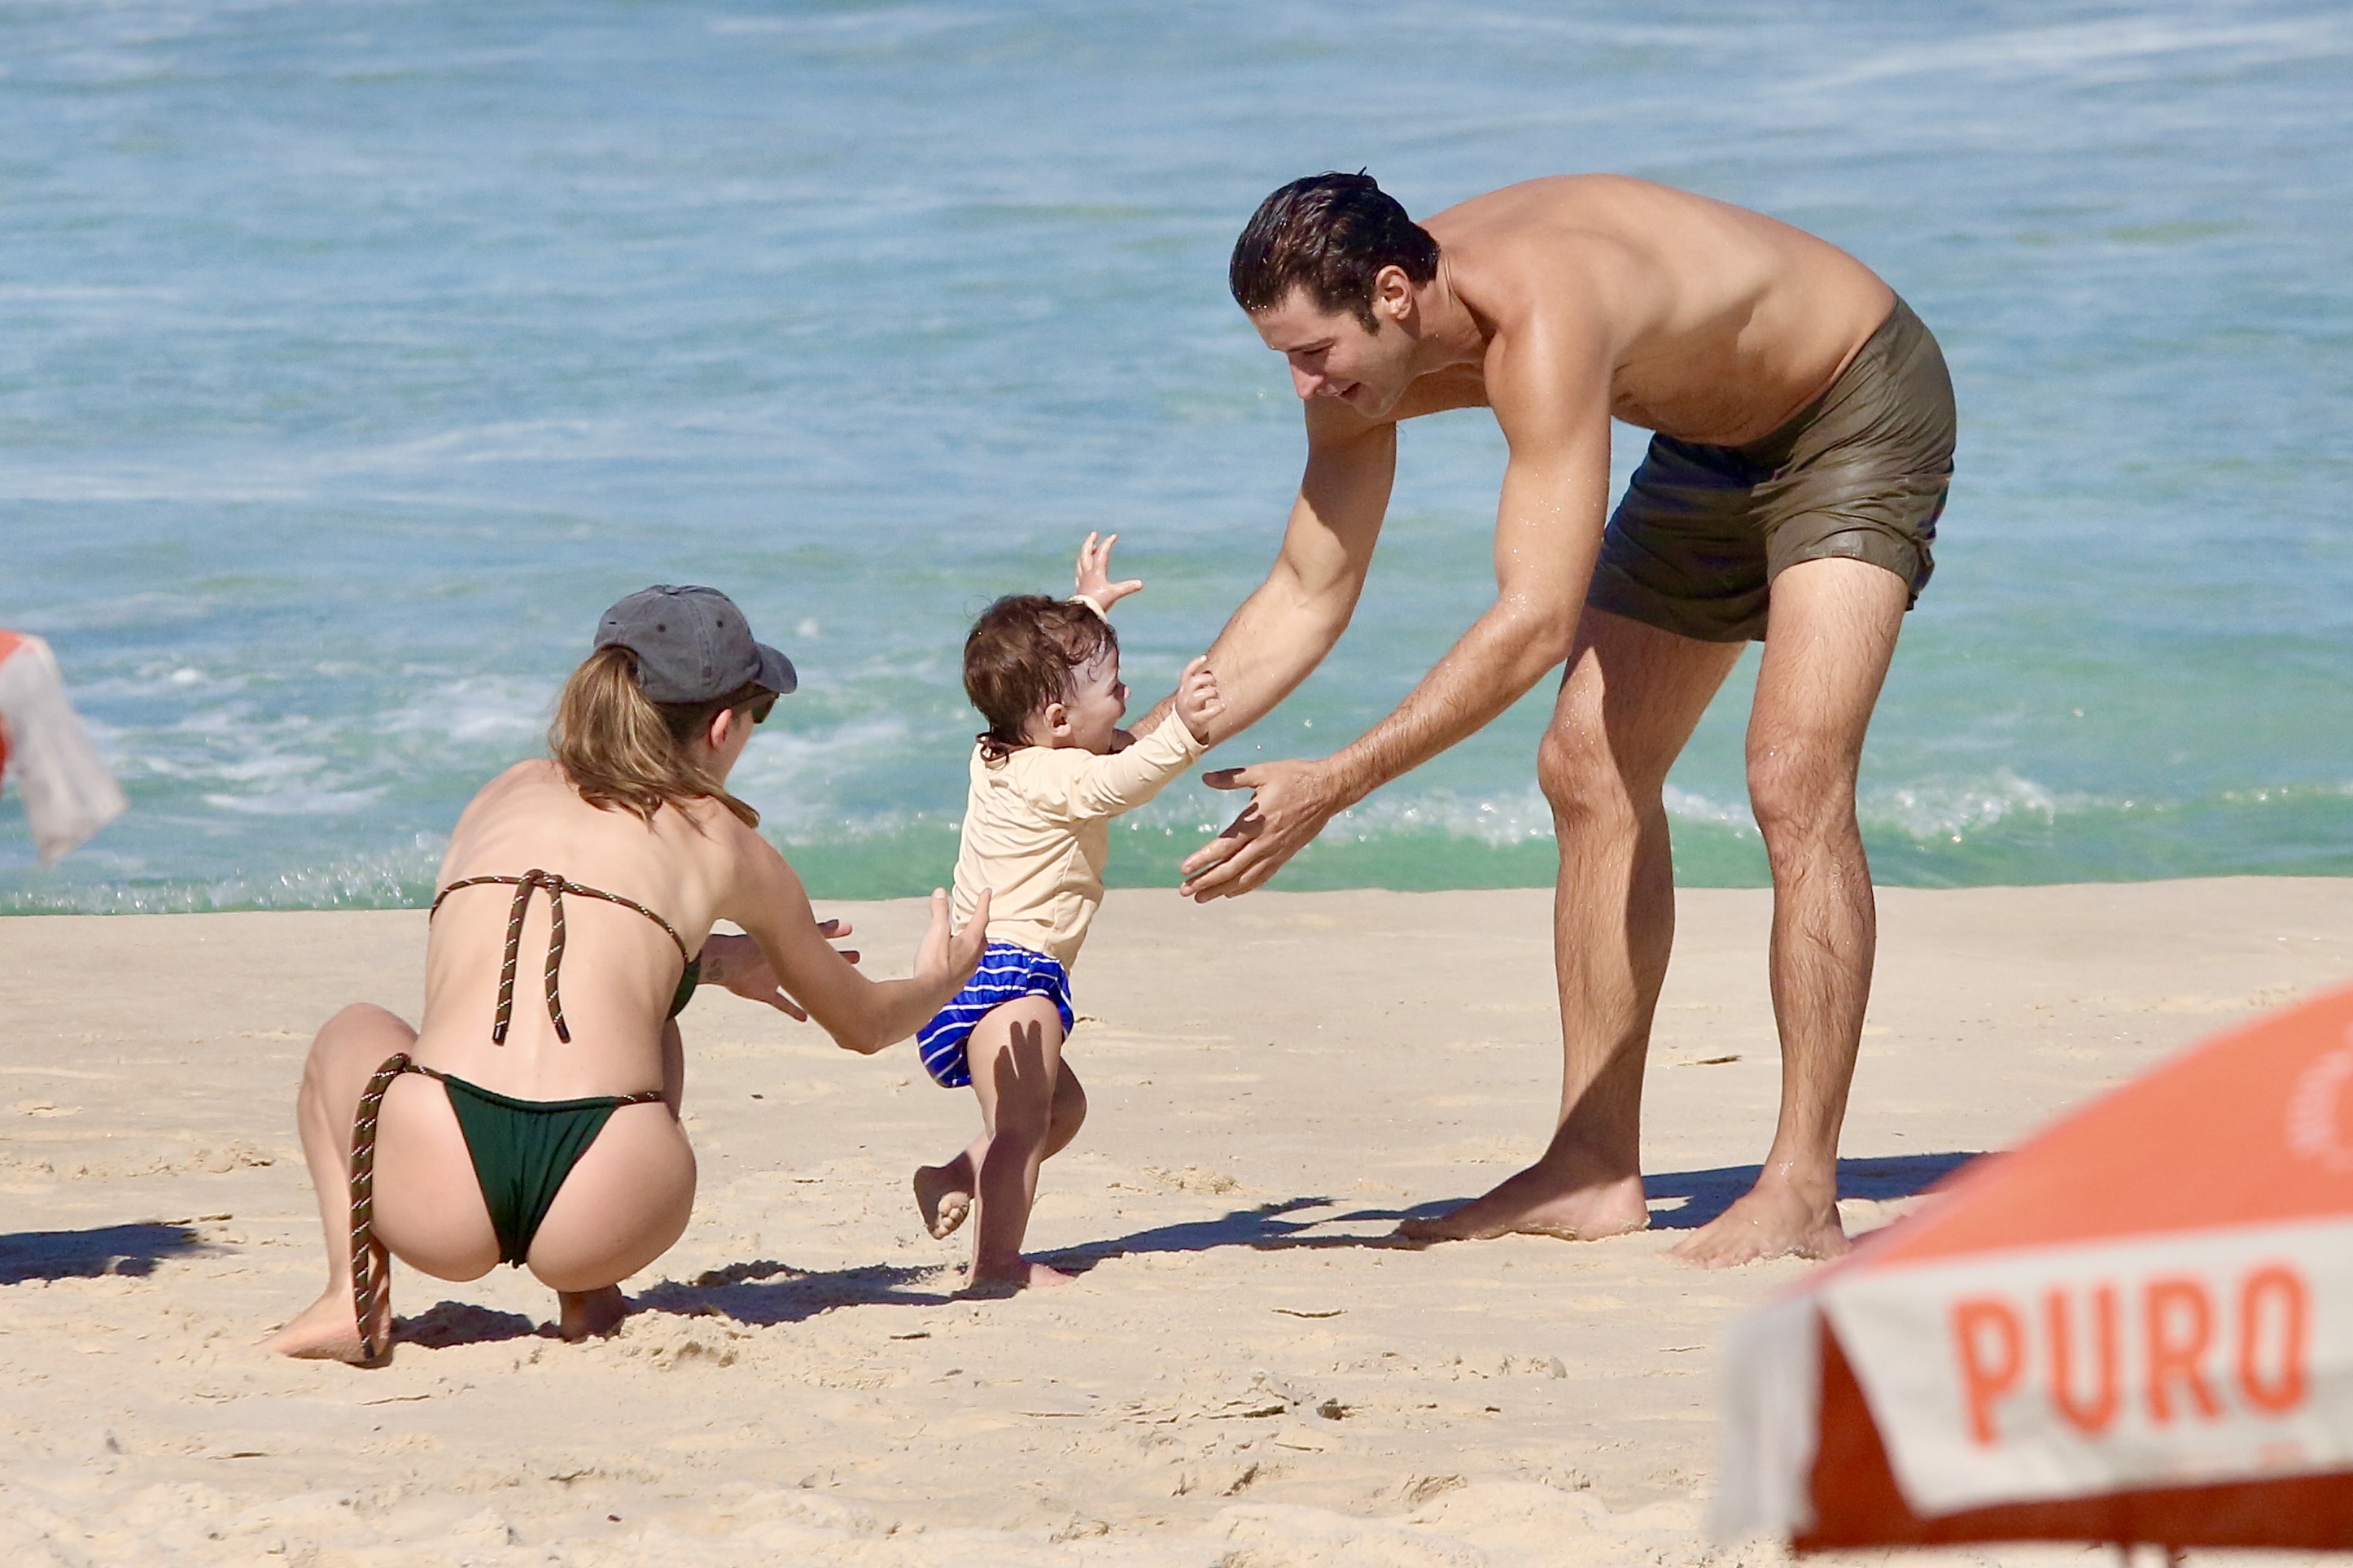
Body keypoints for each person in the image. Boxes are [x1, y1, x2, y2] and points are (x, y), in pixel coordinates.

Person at [1167, 173, 1956, 1266]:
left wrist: (1336, 780)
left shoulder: (1542, 314)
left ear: (1391, 294)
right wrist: (1135, 747)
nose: (1300, 382)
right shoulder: (1364, 366)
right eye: (1283, 358)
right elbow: (1308, 588)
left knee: (1791, 770)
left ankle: (1799, 1183)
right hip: (1704, 438)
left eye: (1313, 354)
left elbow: (1533, 619)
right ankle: (1590, 1165)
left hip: (1850, 402)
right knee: (1585, 759)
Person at [266, 585, 990, 1364]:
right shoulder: (726, 843)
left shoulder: (505, 789)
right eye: (758, 715)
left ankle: (350, 1295)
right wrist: (944, 977)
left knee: (353, 1029)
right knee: (652, 1025)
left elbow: (512, 970)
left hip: (436, 1192)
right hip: (610, 1199)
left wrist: (703, 963)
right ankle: (591, 1291)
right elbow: (865, 1024)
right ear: (720, 726)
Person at [911, 534, 1222, 1291]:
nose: (1126, 700)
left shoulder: (997, 754)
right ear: (1055, 720)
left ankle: (952, 1174)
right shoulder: (1058, 776)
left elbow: (1057, 693)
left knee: (1060, 1110)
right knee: (1022, 1128)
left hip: (973, 972)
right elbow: (1122, 780)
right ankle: (995, 1267)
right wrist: (1180, 726)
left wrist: (1085, 606)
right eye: (1115, 690)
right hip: (1014, 978)